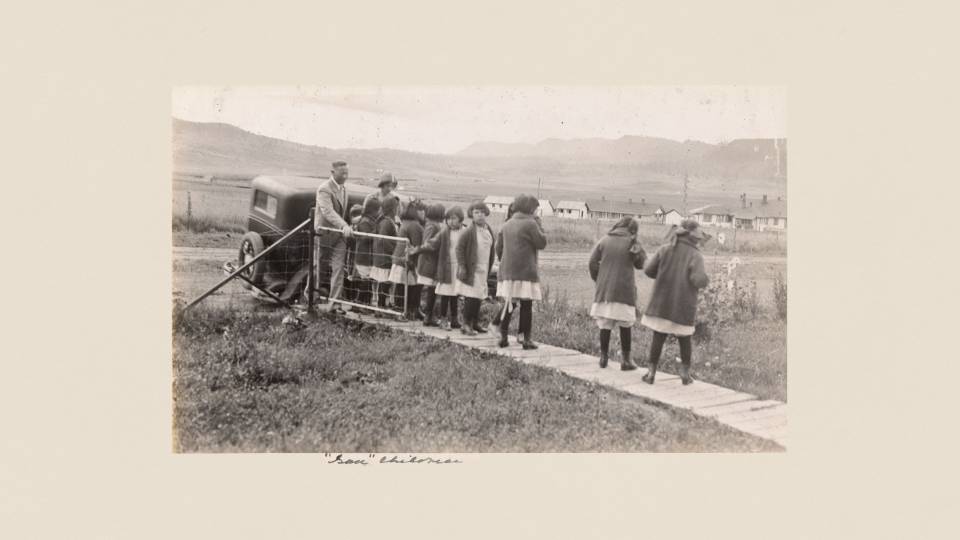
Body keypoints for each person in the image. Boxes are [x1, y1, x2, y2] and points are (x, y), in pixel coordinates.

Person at [640, 219, 711, 385]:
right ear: (695, 237)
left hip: (661, 303)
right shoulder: (696, 255)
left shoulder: (665, 249)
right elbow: (698, 280)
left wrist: (664, 273)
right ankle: (685, 375)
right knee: (685, 340)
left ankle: (650, 374)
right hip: (683, 306)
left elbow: (649, 270)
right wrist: (706, 280)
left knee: (658, 337)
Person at [588, 217, 647, 370]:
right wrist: (638, 249)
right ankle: (626, 360)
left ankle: (603, 357)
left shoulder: (604, 240)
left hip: (605, 290)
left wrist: (599, 279)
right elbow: (641, 265)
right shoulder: (632, 242)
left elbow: (592, 262)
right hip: (624, 290)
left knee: (605, 324)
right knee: (625, 324)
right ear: (633, 230)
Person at [495, 194, 547, 349]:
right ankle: (525, 339)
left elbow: (499, 248)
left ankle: (502, 336)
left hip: (508, 271)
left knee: (509, 303)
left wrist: (506, 261)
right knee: (526, 305)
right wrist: (539, 225)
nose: (536, 212)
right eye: (535, 209)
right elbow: (541, 243)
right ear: (530, 208)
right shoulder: (531, 223)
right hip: (525, 271)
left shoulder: (507, 223)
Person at [314, 160, 353, 315]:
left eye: (347, 173)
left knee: (338, 269)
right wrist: (344, 226)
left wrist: (346, 227)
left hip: (339, 237)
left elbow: (342, 212)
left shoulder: (344, 190)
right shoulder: (324, 189)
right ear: (333, 172)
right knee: (319, 267)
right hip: (324, 234)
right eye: (342, 173)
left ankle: (334, 305)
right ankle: (310, 296)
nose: (345, 176)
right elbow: (328, 211)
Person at [455, 201, 496, 335]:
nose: (480, 215)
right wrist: (462, 265)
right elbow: (459, 248)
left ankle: (475, 323)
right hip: (472, 269)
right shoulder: (468, 231)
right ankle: (466, 324)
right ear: (471, 215)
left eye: (482, 212)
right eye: (476, 212)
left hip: (483, 268)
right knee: (471, 297)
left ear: (486, 214)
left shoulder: (488, 229)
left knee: (479, 296)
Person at [425, 206, 465, 330]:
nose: (451, 222)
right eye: (448, 219)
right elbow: (432, 243)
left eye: (454, 219)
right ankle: (443, 320)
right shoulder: (444, 231)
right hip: (447, 267)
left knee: (455, 294)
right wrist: (418, 248)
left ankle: (454, 319)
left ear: (460, 219)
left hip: (458, 267)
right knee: (446, 294)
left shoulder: (464, 231)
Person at [409, 203, 446, 326]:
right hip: (430, 261)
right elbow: (428, 243)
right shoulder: (433, 226)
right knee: (432, 288)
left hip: (427, 261)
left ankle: (420, 313)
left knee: (425, 287)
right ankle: (428, 316)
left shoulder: (431, 224)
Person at [389, 200, 425, 321]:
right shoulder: (415, 225)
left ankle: (406, 310)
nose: (424, 213)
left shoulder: (405, 222)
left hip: (399, 258)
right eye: (422, 210)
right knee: (411, 286)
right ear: (417, 211)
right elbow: (416, 244)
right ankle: (407, 311)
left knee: (403, 286)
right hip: (406, 260)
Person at [370, 196, 399, 313]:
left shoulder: (385, 220)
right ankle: (381, 307)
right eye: (397, 207)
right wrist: (394, 251)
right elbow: (383, 239)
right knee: (384, 282)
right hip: (385, 258)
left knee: (384, 282)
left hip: (382, 256)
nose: (398, 209)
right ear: (392, 209)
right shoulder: (387, 222)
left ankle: (381, 306)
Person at [351, 197, 381, 309]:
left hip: (368, 256)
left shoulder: (370, 220)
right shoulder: (364, 221)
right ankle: (357, 303)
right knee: (366, 280)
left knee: (368, 280)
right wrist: (377, 232)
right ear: (372, 210)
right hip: (363, 256)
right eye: (378, 209)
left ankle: (364, 305)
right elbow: (365, 238)